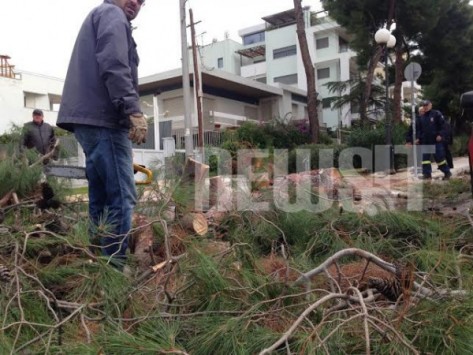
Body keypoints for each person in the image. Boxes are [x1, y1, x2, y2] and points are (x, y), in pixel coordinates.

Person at [57, 0, 148, 269]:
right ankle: (113, 271)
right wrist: (132, 110)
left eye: (142, 1)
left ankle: (95, 263)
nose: (136, 2)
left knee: (102, 197)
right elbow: (114, 64)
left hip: (91, 121)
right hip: (104, 120)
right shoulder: (112, 14)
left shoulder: (101, 15)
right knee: (122, 196)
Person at [417, 100, 452, 180]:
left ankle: (447, 172)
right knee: (425, 160)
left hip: (436, 141)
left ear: (430, 105)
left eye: (427, 105)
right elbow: (420, 130)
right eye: (424, 105)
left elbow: (443, 126)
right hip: (426, 142)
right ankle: (427, 174)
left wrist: (440, 135)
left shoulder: (436, 114)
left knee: (439, 158)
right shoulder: (422, 117)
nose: (425, 107)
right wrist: (419, 138)